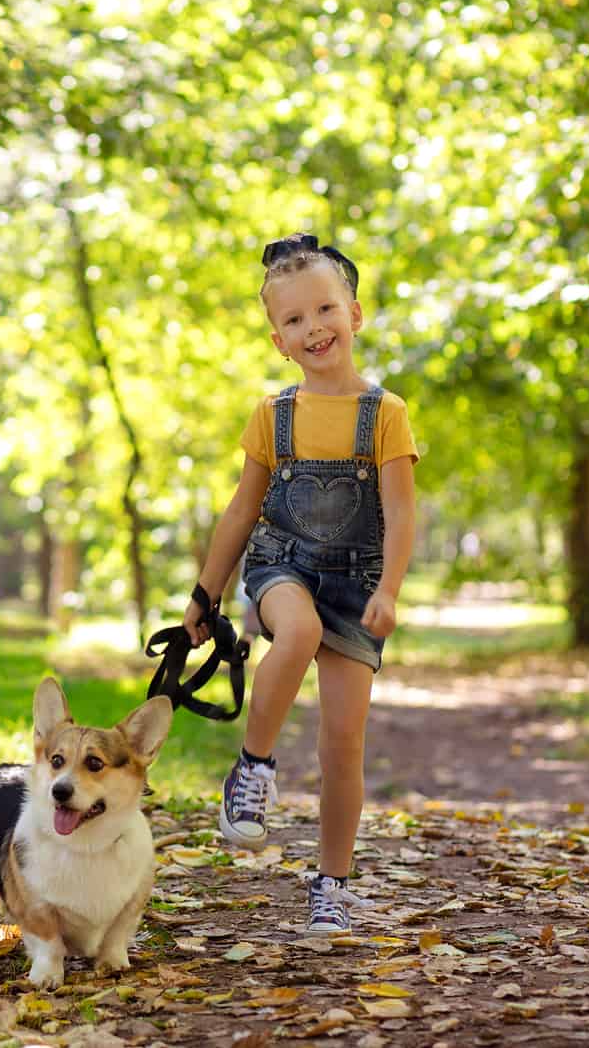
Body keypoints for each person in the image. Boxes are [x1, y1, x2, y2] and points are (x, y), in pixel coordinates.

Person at [182, 233, 417, 933]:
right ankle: (251, 770)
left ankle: (333, 886)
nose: (313, 327)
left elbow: (402, 512)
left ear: (356, 315)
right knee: (298, 628)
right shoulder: (272, 415)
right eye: (293, 320)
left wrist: (391, 590)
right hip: (280, 566)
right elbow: (241, 509)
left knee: (344, 743)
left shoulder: (386, 414)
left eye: (324, 310)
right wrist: (206, 593)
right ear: (279, 340)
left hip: (355, 584)